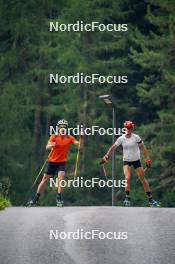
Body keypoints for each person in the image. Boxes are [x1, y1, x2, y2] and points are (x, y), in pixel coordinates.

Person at [101, 120, 160, 207]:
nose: (128, 130)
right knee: (127, 178)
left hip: (136, 160)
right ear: (124, 129)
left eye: (129, 128)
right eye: (126, 128)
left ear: (132, 128)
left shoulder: (136, 137)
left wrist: (147, 159)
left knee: (143, 179)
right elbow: (113, 147)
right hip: (127, 161)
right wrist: (106, 156)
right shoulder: (121, 138)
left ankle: (151, 200)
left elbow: (143, 148)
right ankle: (127, 199)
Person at [28, 119, 82, 207]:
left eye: (64, 127)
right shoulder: (54, 137)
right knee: (45, 179)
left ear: (66, 128)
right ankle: (35, 199)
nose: (63, 129)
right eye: (61, 127)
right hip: (52, 162)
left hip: (62, 162)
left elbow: (79, 144)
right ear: (58, 128)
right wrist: (52, 145)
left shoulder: (69, 138)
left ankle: (59, 199)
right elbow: (47, 147)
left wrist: (82, 137)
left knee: (61, 178)